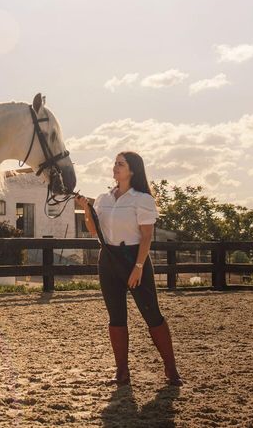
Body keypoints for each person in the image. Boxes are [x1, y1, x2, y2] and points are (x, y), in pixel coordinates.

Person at [74, 151, 183, 387]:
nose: (115, 167)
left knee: (152, 314)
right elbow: (93, 230)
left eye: (120, 164)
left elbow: (146, 237)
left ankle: (171, 369)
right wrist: (86, 209)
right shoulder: (103, 198)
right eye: (114, 163)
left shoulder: (142, 199)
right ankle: (122, 372)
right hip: (108, 260)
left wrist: (139, 266)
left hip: (134, 258)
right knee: (116, 317)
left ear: (132, 170)